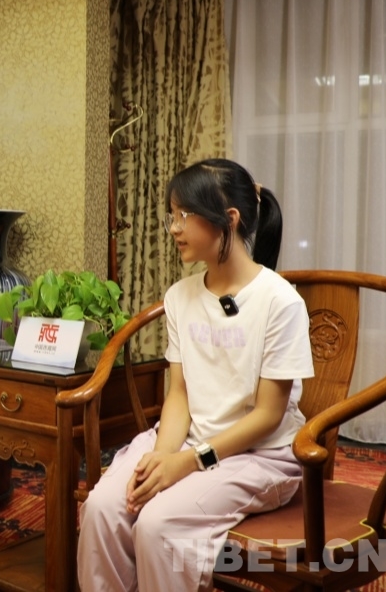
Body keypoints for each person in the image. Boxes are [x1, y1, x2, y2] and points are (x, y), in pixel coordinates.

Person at [77, 159, 314, 591]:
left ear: (229, 219)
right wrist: (163, 457)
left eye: (184, 215)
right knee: (103, 509)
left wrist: (187, 463)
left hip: (260, 456)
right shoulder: (180, 296)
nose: (174, 228)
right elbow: (180, 394)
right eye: (172, 215)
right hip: (186, 439)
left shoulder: (280, 302)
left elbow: (269, 416)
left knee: (158, 525)